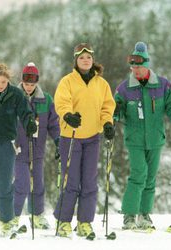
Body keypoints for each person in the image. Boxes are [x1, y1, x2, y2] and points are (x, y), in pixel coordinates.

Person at [114, 42, 171, 231]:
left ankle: (144, 214)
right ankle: (129, 215)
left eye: (139, 66)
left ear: (147, 64)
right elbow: (116, 109)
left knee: (151, 178)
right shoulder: (124, 88)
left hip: (155, 138)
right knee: (139, 174)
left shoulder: (162, 85)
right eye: (133, 67)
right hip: (135, 139)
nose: (135, 70)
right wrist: (113, 116)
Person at [53, 42, 116, 238]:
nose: (85, 60)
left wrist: (107, 123)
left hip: (92, 137)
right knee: (71, 181)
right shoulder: (67, 81)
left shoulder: (101, 83)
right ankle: (63, 221)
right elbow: (61, 102)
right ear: (76, 60)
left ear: (92, 60)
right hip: (71, 136)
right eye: (81, 57)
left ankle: (84, 222)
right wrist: (68, 115)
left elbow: (107, 106)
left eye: (88, 57)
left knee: (89, 181)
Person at [0, 63, 37, 237]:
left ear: (8, 81)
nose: (0, 85)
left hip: (7, 143)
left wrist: (29, 123)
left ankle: (6, 221)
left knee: (5, 183)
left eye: (3, 81)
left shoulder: (16, 94)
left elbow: (25, 113)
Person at [13, 62, 60, 230]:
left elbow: (53, 124)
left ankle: (37, 216)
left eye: (32, 84)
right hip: (18, 151)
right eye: (26, 84)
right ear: (22, 81)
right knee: (22, 184)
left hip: (38, 150)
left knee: (38, 184)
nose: (29, 87)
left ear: (37, 83)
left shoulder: (45, 99)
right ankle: (13, 216)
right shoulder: (14, 97)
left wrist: (58, 141)